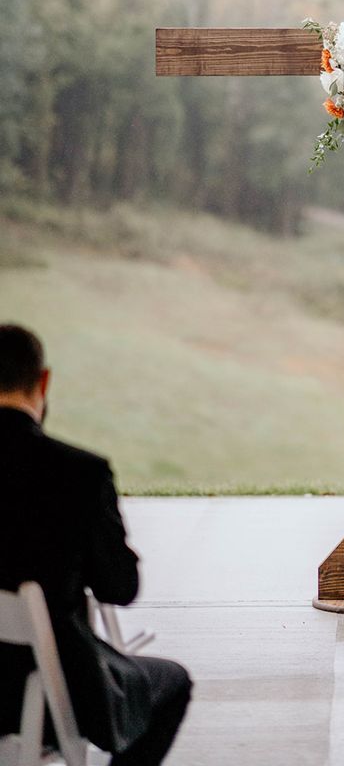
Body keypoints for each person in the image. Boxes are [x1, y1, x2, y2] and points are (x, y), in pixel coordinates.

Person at [0, 323, 192, 765]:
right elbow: (119, 588)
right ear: (43, 381)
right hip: (44, 694)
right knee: (170, 682)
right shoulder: (77, 474)